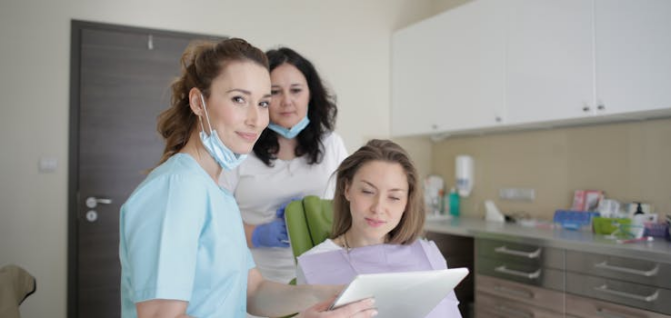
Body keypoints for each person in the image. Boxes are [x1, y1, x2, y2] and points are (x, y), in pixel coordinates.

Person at [119, 38, 376, 318]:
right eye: (239, 99)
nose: (256, 119)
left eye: (263, 102)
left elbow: (253, 292)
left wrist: (332, 294)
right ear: (197, 102)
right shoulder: (175, 190)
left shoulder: (219, 194)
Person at [220, 47, 348, 284]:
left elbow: (350, 207)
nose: (287, 101)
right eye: (275, 92)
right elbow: (214, 221)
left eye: (296, 90)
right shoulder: (239, 149)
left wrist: (318, 214)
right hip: (253, 282)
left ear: (311, 94)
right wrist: (256, 234)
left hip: (320, 279)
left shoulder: (332, 145)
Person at [295, 139, 461, 318]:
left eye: (394, 197)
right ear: (347, 189)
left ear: (407, 202)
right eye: (367, 191)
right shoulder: (315, 263)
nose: (378, 208)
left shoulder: (427, 254)